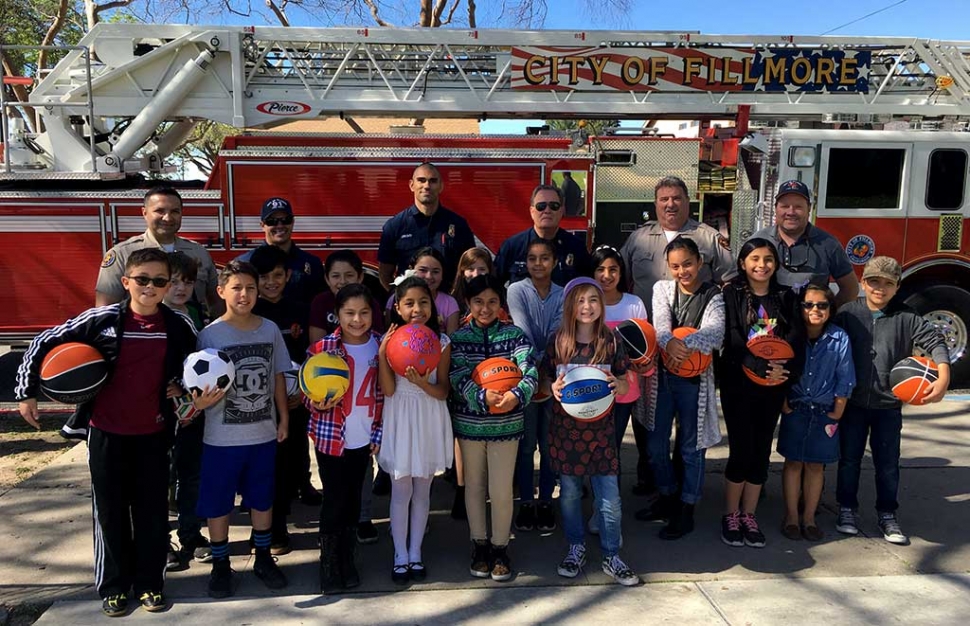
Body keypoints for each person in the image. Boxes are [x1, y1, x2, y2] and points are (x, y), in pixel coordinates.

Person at [15, 248, 213, 617]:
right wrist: (26, 393)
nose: (150, 287)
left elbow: (195, 370)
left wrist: (182, 391)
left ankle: (151, 584)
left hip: (154, 436)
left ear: (168, 286)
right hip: (106, 433)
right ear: (126, 283)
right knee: (111, 513)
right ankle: (114, 587)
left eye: (158, 281)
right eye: (142, 280)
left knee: (152, 514)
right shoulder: (101, 319)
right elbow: (44, 341)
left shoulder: (179, 326)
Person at [834, 256, 950, 544]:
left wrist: (944, 375)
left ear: (897, 287)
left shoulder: (906, 317)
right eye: (874, 282)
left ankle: (887, 514)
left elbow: (935, 341)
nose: (880, 288)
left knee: (888, 463)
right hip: (854, 402)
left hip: (888, 405)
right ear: (863, 282)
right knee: (849, 460)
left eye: (888, 284)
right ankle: (847, 508)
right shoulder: (848, 313)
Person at [195, 260, 291, 598]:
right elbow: (197, 386)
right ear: (221, 291)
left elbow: (278, 375)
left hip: (262, 434)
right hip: (221, 438)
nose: (245, 294)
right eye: (236, 287)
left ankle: (263, 557)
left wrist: (283, 416)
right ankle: (221, 564)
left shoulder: (269, 330)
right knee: (218, 503)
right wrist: (198, 404)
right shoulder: (209, 335)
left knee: (262, 500)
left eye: (251, 288)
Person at [544, 277, 640, 587]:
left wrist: (619, 385)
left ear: (601, 304)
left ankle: (612, 555)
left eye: (593, 300)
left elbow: (626, 380)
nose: (587, 307)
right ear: (570, 306)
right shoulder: (557, 342)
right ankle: (576, 547)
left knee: (608, 499)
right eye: (580, 301)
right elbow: (542, 383)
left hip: (601, 436)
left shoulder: (611, 342)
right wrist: (552, 387)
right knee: (570, 494)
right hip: (566, 434)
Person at [449, 274, 538, 582]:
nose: (485, 309)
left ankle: (500, 548)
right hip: (470, 426)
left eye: (491, 302)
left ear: (501, 304)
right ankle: (479, 545)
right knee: (473, 487)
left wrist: (516, 395)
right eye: (478, 302)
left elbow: (530, 371)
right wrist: (482, 396)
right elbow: (457, 377)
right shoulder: (458, 339)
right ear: (467, 304)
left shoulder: (515, 335)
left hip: (507, 425)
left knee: (500, 490)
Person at [719, 238, 804, 549]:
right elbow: (733, 337)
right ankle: (730, 515)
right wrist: (758, 365)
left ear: (776, 264)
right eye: (754, 258)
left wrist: (787, 372)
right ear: (743, 263)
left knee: (760, 451)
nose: (762, 265)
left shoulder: (786, 297)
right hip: (738, 384)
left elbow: (796, 339)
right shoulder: (730, 294)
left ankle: (749, 515)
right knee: (740, 449)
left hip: (773, 385)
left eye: (768, 259)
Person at [638, 237, 725, 540]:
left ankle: (687, 507)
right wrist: (669, 341)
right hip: (663, 377)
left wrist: (680, 344)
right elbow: (660, 326)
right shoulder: (662, 289)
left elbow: (715, 334)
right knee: (655, 444)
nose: (682, 271)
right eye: (675, 266)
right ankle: (667, 496)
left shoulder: (714, 295)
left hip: (695, 380)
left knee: (691, 448)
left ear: (699, 262)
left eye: (687, 264)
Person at [306, 283, 384, 593]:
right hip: (331, 439)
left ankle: (348, 557)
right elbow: (307, 390)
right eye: (349, 313)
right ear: (337, 314)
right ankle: (329, 562)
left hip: (363, 439)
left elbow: (383, 396)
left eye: (364, 312)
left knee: (354, 499)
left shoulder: (381, 347)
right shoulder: (322, 348)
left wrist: (378, 433)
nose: (357, 319)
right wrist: (316, 402)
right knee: (334, 500)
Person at [377, 276, 454, 585]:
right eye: (409, 303)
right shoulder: (389, 340)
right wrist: (383, 353)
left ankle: (415, 552)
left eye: (423, 302)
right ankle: (399, 555)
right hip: (400, 416)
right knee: (400, 489)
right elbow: (388, 390)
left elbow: (443, 390)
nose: (417, 309)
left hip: (428, 415)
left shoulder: (443, 342)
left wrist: (424, 383)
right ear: (397, 307)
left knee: (423, 489)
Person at [249, 245, 315, 553]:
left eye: (278, 275)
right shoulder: (249, 313)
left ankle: (289, 502)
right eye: (264, 277)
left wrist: (302, 391)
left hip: (294, 400)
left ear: (288, 275)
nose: (272, 282)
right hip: (258, 405)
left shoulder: (301, 309)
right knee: (263, 467)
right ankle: (269, 530)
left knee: (291, 459)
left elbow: (313, 356)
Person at [778, 284, 855, 542]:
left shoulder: (839, 338)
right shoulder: (791, 335)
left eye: (822, 305)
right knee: (793, 464)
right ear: (799, 308)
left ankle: (809, 518)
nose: (815, 310)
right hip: (796, 408)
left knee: (815, 466)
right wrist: (784, 403)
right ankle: (790, 516)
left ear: (830, 309)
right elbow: (779, 368)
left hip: (824, 412)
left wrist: (838, 410)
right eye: (808, 305)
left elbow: (845, 376)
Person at [507, 239, 563, 534]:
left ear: (554, 261)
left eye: (544, 258)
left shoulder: (563, 294)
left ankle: (546, 502)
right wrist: (534, 371)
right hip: (524, 378)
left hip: (554, 379)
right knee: (527, 446)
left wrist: (546, 372)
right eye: (532, 258)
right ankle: (527, 502)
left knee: (550, 445)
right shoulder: (515, 290)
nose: (538, 264)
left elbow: (557, 332)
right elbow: (521, 329)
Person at [96, 185, 220, 316]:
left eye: (175, 211)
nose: (167, 218)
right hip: (140, 333)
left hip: (189, 333)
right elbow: (105, 310)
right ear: (144, 213)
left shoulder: (199, 252)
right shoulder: (122, 254)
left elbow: (217, 304)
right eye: (160, 211)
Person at [619, 176, 734, 314]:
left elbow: (729, 283)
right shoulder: (638, 238)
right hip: (646, 327)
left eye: (677, 198)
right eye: (664, 199)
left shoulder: (709, 238)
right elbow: (620, 281)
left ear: (687, 202)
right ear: (656, 204)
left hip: (693, 329)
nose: (670, 204)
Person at [163, 252, 212, 569]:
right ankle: (160, 540)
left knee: (191, 475)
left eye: (188, 281)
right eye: (175, 281)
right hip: (161, 410)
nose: (181, 288)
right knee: (161, 478)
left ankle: (191, 534)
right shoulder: (155, 315)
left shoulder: (196, 312)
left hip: (194, 408)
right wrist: (175, 385)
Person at [751, 179, 859, 306]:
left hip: (810, 323)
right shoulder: (758, 241)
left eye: (798, 207)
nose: (791, 212)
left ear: (809, 209)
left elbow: (851, 290)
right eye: (785, 206)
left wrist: (827, 312)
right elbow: (738, 282)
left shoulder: (828, 244)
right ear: (776, 209)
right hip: (767, 322)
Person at [377, 163, 476, 292]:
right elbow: (385, 273)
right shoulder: (395, 226)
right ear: (411, 185)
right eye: (421, 180)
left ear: (441, 186)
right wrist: (398, 297)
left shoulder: (458, 225)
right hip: (411, 306)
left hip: (448, 304)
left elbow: (469, 268)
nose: (427, 186)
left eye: (433, 181)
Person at [494, 184, 592, 286]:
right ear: (532, 211)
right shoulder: (512, 246)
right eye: (541, 206)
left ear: (561, 211)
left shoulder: (576, 247)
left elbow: (588, 286)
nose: (547, 211)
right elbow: (494, 286)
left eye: (554, 206)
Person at [236, 197, 326, 306]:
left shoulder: (312, 264)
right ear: (262, 226)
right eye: (271, 221)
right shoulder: (245, 263)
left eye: (285, 220)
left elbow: (321, 305)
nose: (279, 225)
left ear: (292, 222)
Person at [309, 250, 384, 343]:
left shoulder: (370, 303)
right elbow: (316, 344)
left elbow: (377, 341)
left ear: (360, 277)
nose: (343, 281)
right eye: (336, 276)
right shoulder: (320, 302)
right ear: (327, 279)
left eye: (349, 275)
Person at [386, 247, 461, 334]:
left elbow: (451, 339)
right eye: (423, 270)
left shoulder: (449, 303)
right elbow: (389, 331)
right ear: (411, 269)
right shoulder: (394, 299)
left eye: (435, 272)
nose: (429, 276)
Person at [163, 252, 206, 330]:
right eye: (174, 282)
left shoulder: (194, 311)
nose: (182, 288)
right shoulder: (154, 313)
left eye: (188, 283)